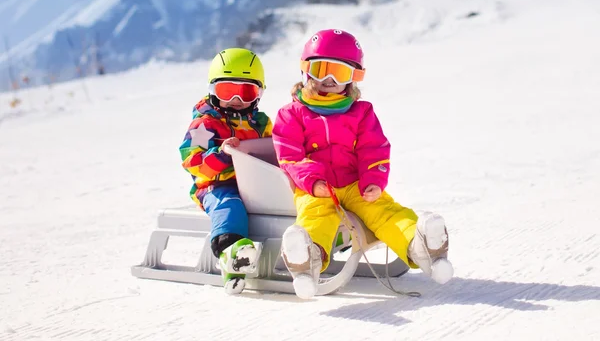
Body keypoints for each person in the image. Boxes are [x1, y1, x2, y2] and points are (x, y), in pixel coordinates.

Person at [272, 29, 453, 299]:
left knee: (384, 210)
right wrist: (313, 182)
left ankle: (420, 246)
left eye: (340, 73)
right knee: (316, 215)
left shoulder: (361, 112)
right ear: (306, 71)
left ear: (354, 78)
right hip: (317, 188)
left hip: (355, 183)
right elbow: (290, 156)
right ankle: (307, 259)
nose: (330, 80)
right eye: (322, 69)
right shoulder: (291, 114)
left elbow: (374, 148)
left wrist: (373, 182)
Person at [179, 48, 273, 294]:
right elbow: (193, 162)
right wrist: (220, 155)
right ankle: (230, 252)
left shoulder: (261, 124)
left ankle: (316, 242)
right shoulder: (204, 125)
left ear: (258, 94)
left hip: (256, 184)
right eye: (227, 91)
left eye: (246, 92)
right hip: (216, 187)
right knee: (229, 205)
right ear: (212, 90)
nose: (236, 100)